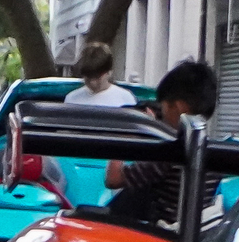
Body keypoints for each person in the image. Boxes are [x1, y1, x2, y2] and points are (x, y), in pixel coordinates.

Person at [107, 60, 220, 229]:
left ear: (179, 107)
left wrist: (128, 134)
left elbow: (113, 178)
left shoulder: (169, 155)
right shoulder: (213, 153)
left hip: (163, 234)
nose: (162, 111)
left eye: (164, 106)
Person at [67, 42, 132, 107]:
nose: (92, 82)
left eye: (97, 77)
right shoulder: (72, 99)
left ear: (109, 72)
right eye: (88, 77)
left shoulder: (125, 99)